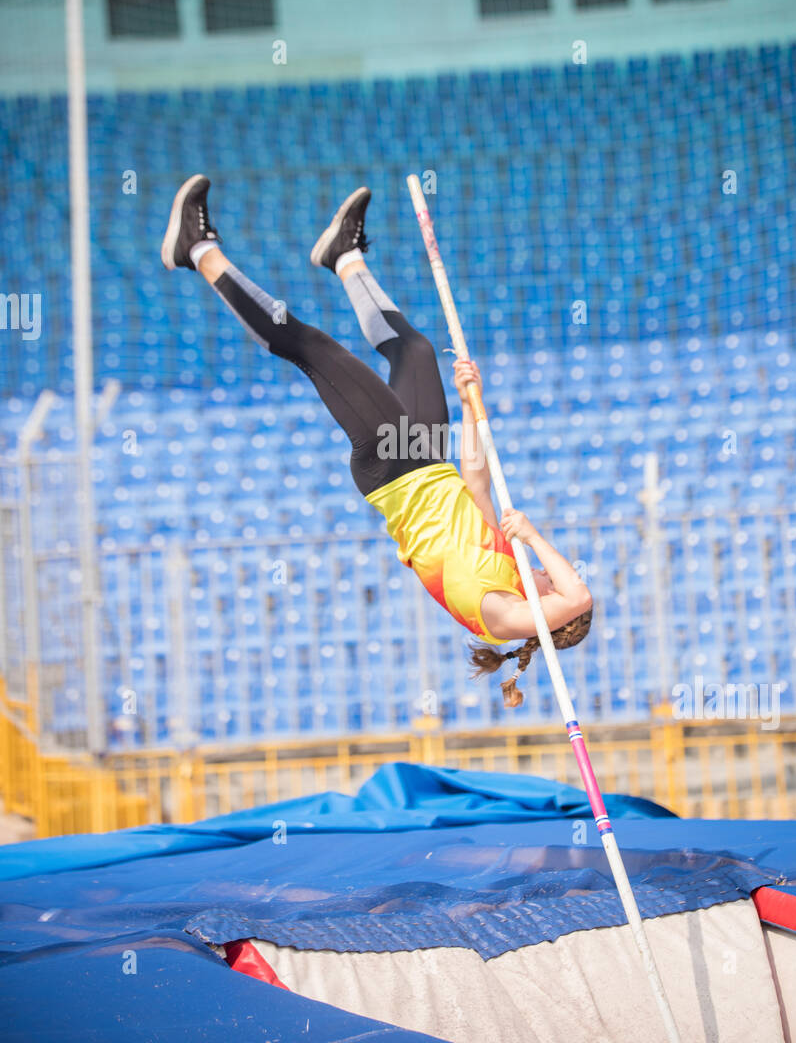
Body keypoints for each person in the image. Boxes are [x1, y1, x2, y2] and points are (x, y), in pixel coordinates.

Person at [161, 176, 592, 706]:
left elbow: (580, 595)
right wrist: (471, 404)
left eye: (553, 580)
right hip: (426, 461)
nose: (552, 571)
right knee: (415, 351)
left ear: (553, 616)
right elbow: (475, 477)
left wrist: (533, 534)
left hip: (397, 472)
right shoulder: (502, 561)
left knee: (313, 349)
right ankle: (344, 256)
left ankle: (197, 251)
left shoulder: (502, 617)